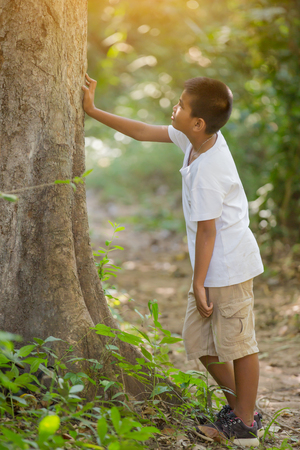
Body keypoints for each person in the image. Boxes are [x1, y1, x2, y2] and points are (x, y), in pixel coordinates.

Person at [82, 73, 264, 447]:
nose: (174, 107)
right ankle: (240, 410)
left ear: (197, 122)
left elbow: (209, 232)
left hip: (228, 266)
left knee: (239, 343)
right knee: (198, 341)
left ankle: (246, 425)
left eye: (180, 105)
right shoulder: (197, 139)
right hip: (213, 265)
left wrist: (199, 282)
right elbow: (144, 131)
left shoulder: (208, 172)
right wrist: (93, 110)